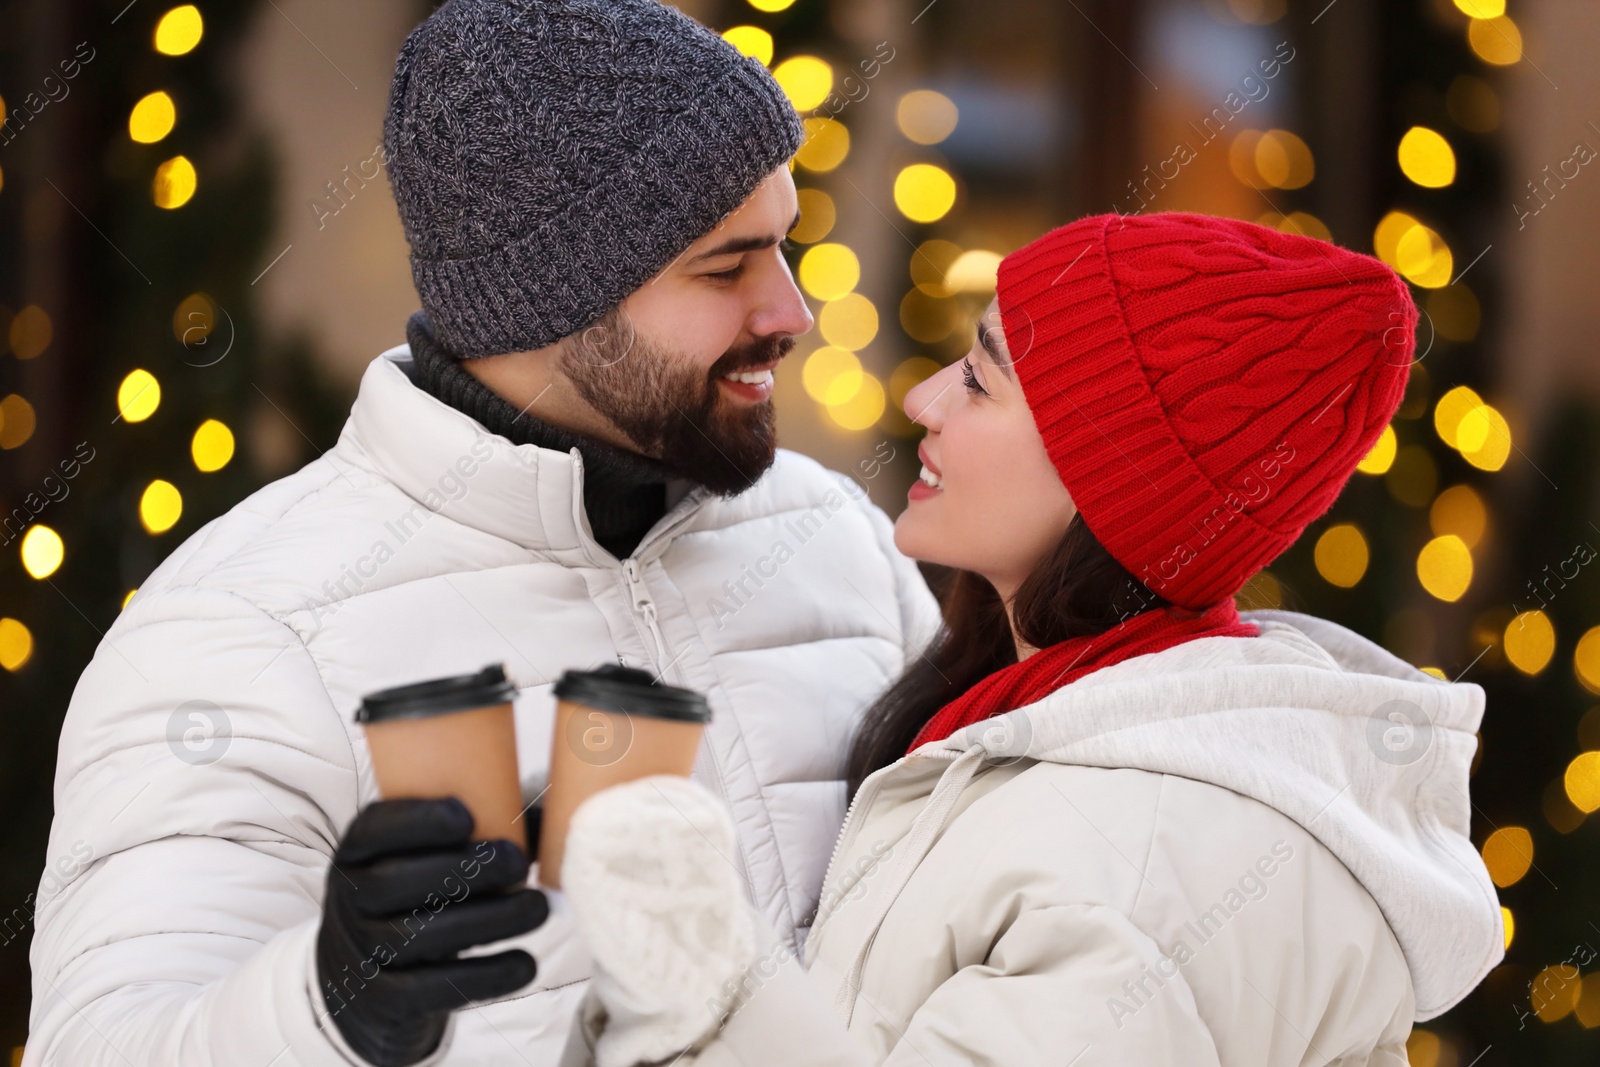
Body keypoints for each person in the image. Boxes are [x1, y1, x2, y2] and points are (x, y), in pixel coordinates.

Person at [22, 1, 938, 1064]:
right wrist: (325, 1006)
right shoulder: (244, 629)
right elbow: (102, 1043)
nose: (792, 312)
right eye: (725, 268)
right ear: (552, 302)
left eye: (783, 246)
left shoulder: (833, 541)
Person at [555, 212, 1505, 1066]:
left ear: (1109, 474)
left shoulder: (1142, 865)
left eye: (979, 377)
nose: (926, 400)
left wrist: (689, 960)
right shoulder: (1031, 724)